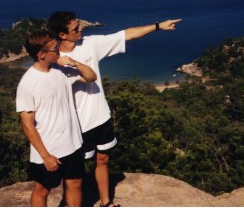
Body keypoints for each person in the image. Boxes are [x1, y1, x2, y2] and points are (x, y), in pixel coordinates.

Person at [47, 11, 181, 207]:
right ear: (62, 35)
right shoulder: (55, 61)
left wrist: (159, 26)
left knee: (103, 159)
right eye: (76, 28)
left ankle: (105, 202)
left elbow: (126, 34)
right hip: (77, 124)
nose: (81, 28)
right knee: (75, 171)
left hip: (100, 116)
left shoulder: (90, 44)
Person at [16, 30, 97, 207]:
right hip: (50, 150)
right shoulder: (27, 84)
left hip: (73, 144)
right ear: (41, 54)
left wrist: (75, 63)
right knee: (42, 190)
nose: (59, 50)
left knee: (75, 184)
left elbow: (91, 77)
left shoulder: (62, 71)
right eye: (55, 48)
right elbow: (27, 125)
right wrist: (46, 156)